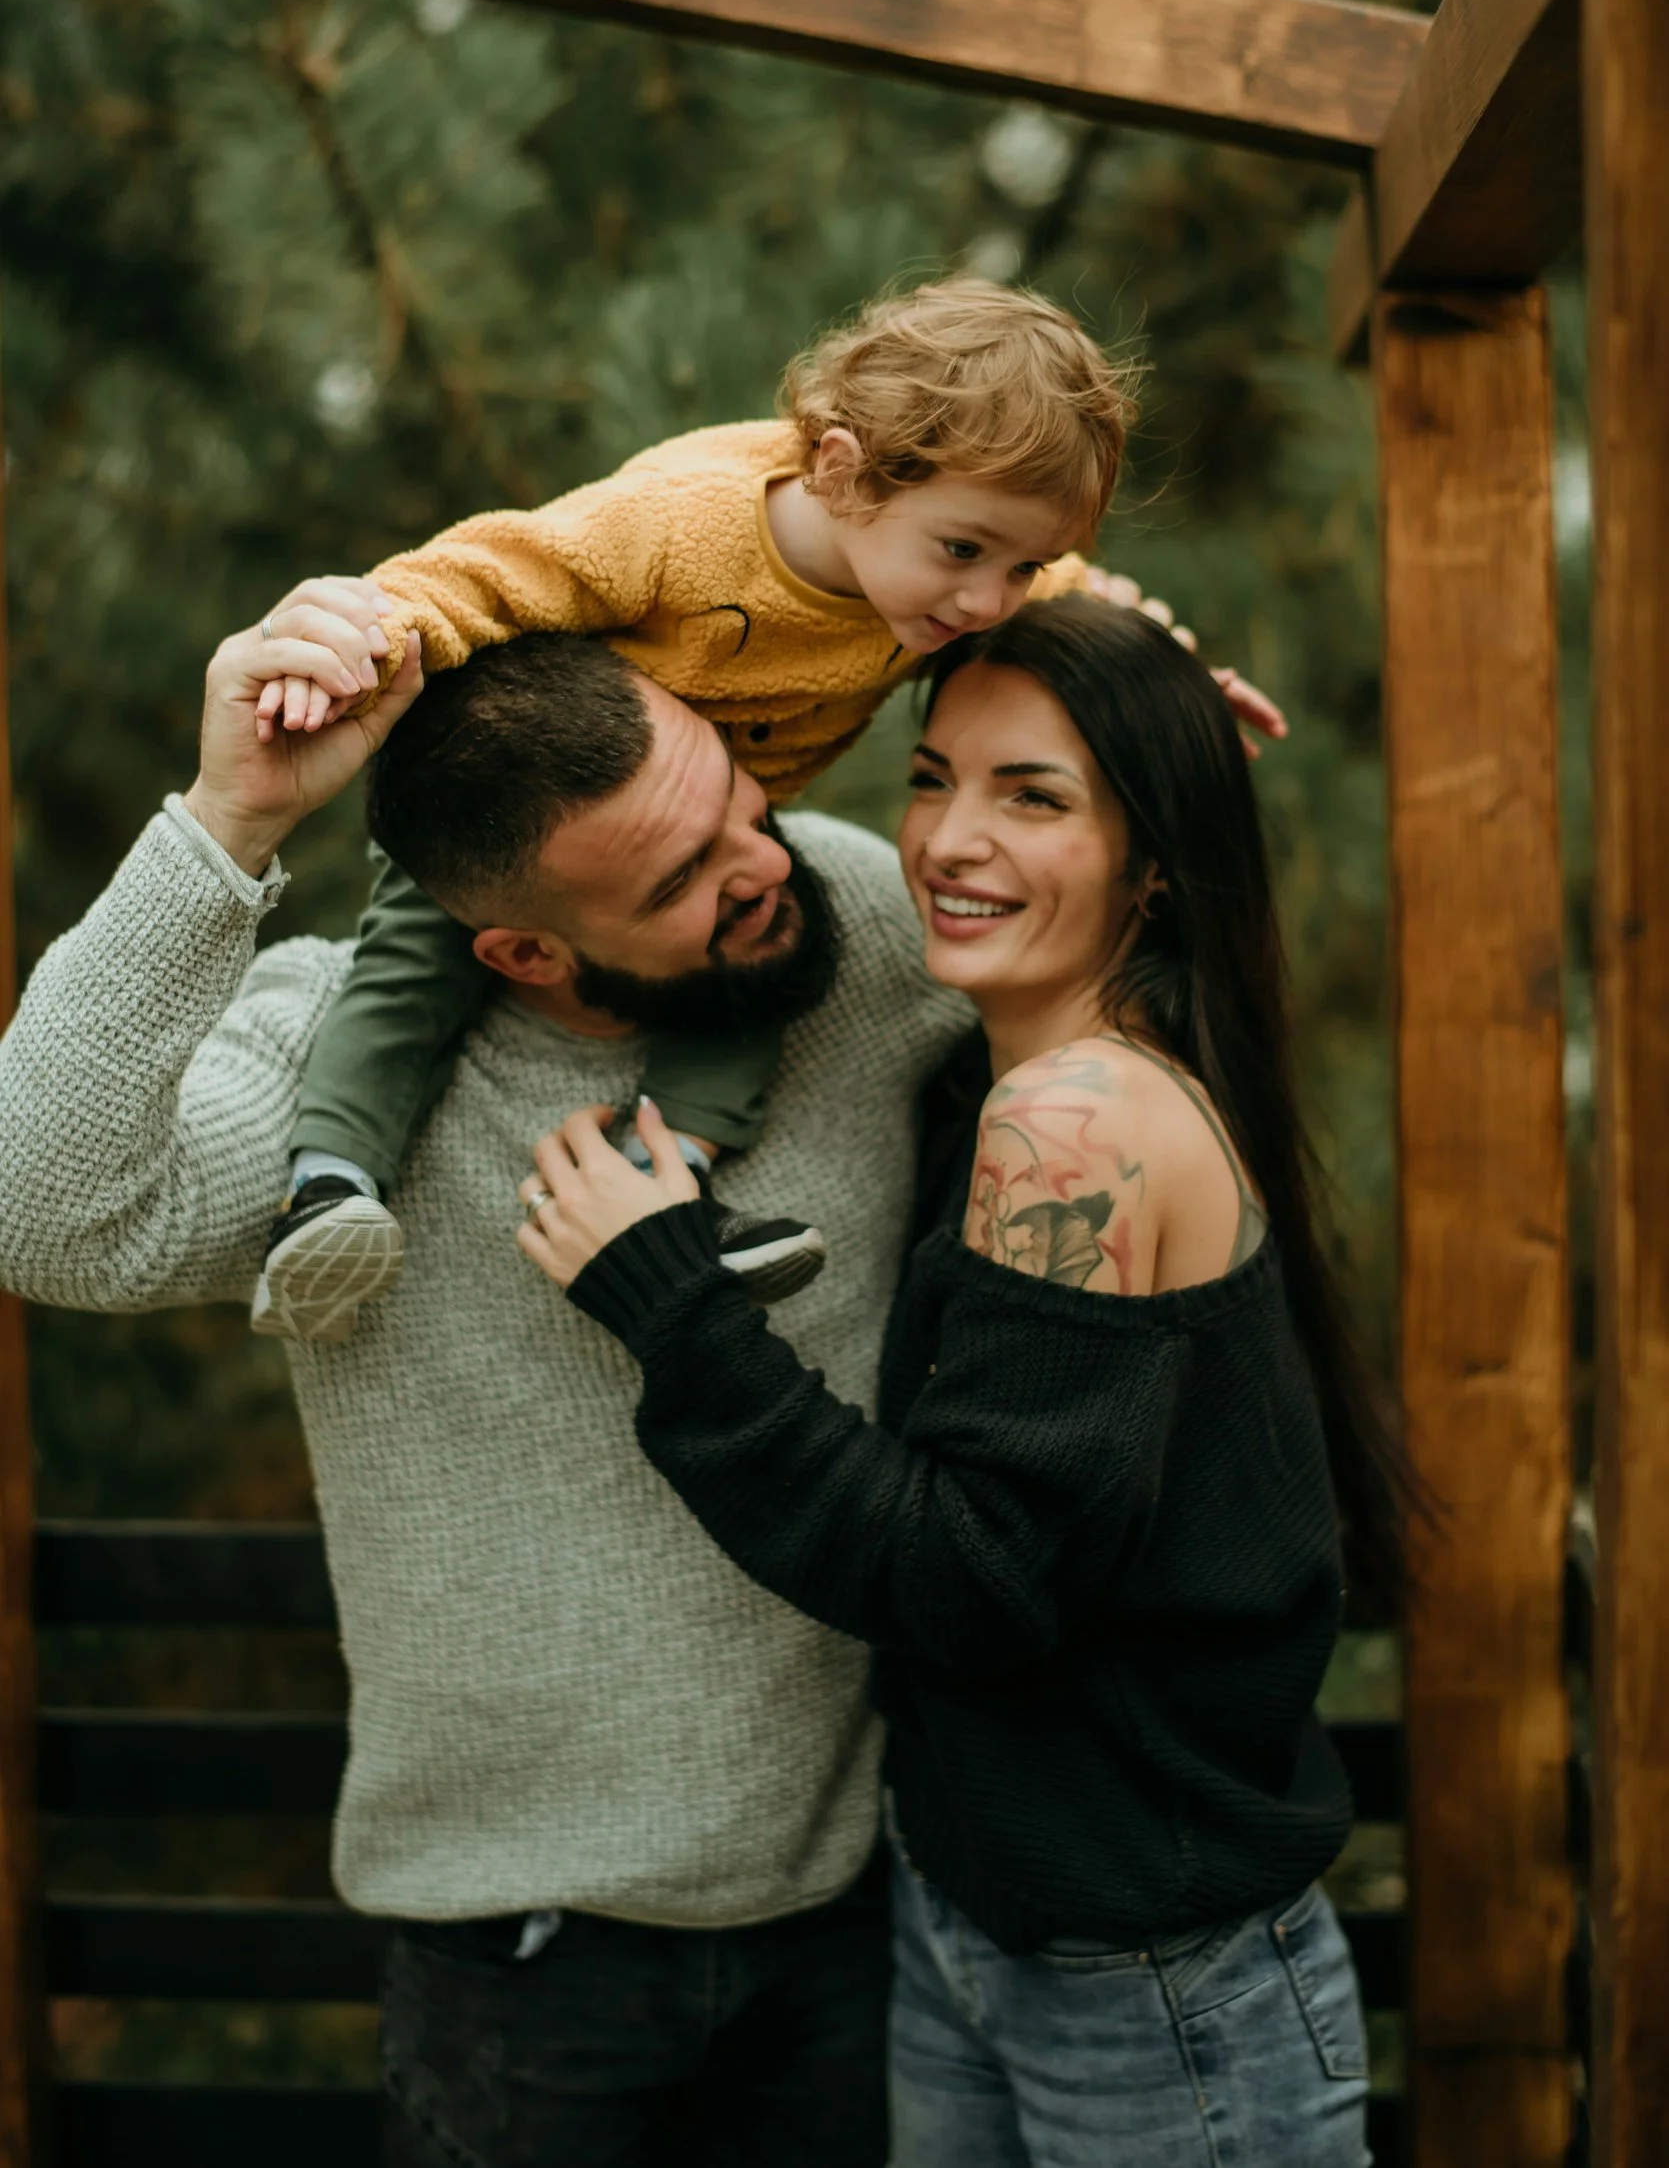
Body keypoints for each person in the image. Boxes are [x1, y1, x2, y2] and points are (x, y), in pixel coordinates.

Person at [0, 583, 980, 2166]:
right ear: (521, 948)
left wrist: (1097, 663)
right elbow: (39, 1210)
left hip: (854, 1928)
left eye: (742, 803)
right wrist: (226, 818)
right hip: (517, 1973)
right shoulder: (334, 1057)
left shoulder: (841, 919)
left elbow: (1113, 930)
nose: (757, 869)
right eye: (682, 880)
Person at [516, 594, 1408, 2168]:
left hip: (1152, 1989)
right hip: (976, 1925)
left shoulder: (1080, 1123)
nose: (945, 840)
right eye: (933, 779)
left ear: (1154, 863)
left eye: (1034, 795)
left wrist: (669, 1301)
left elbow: (969, 1573)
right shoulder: (1010, 1080)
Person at [256, 278, 1276, 1342]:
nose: (985, 603)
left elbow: (1076, 590)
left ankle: (670, 1180)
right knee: (410, 967)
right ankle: (328, 1187)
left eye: (1015, 567)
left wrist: (1175, 684)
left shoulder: (944, 565)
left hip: (730, 824)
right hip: (536, 811)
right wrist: (360, 646)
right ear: (839, 469)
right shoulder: (679, 526)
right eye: (965, 553)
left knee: (753, 981)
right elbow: (494, 570)